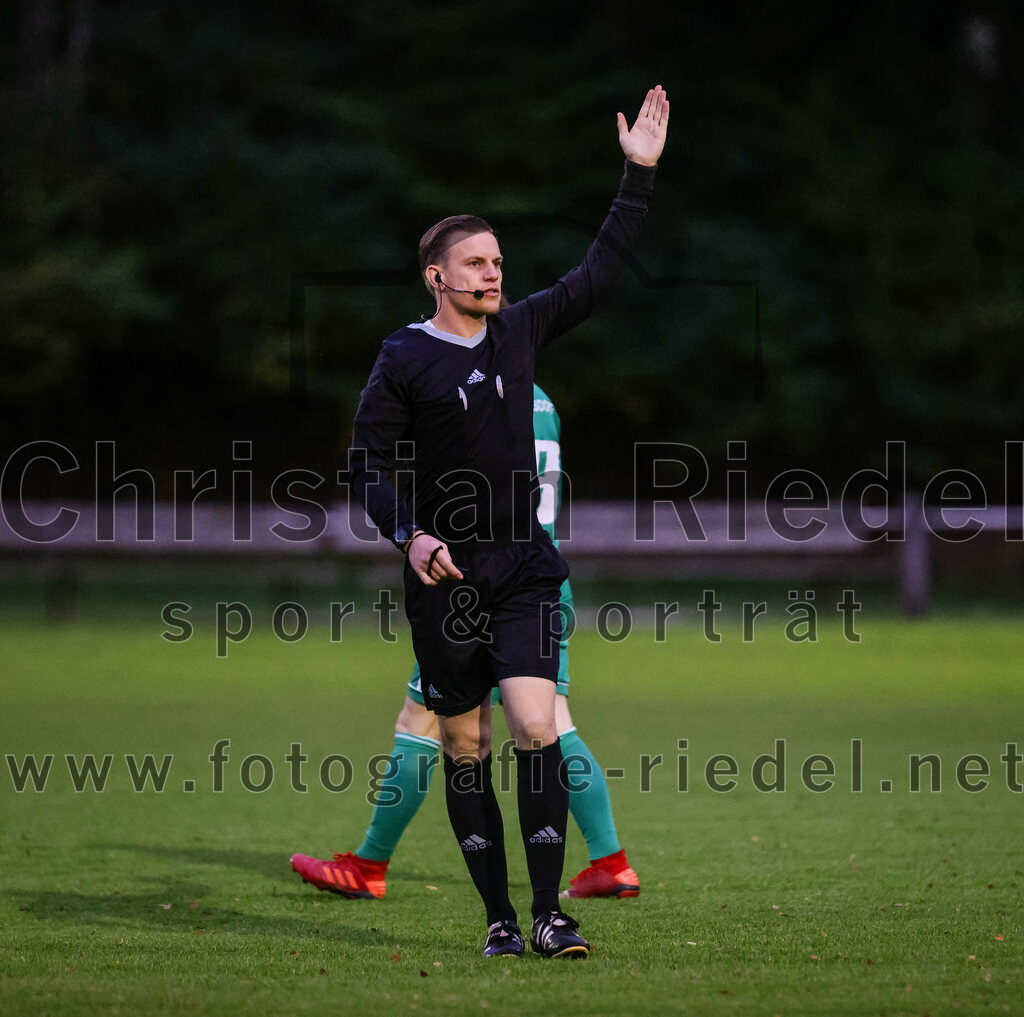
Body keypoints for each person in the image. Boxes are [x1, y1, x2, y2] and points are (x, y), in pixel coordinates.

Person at [338, 85, 667, 959]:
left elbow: (597, 275)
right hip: (443, 576)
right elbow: (366, 465)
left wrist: (635, 175)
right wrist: (412, 535)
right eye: (476, 263)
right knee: (466, 742)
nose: (493, 273)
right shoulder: (403, 355)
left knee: (534, 723)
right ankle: (498, 918)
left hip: (523, 565)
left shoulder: (518, 333)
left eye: (498, 261)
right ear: (436, 276)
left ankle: (553, 910)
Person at [291, 385, 640, 915]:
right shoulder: (539, 396)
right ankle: (611, 862)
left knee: (421, 721)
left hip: (479, 577)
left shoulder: (466, 387)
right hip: (543, 573)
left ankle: (368, 866)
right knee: (549, 723)